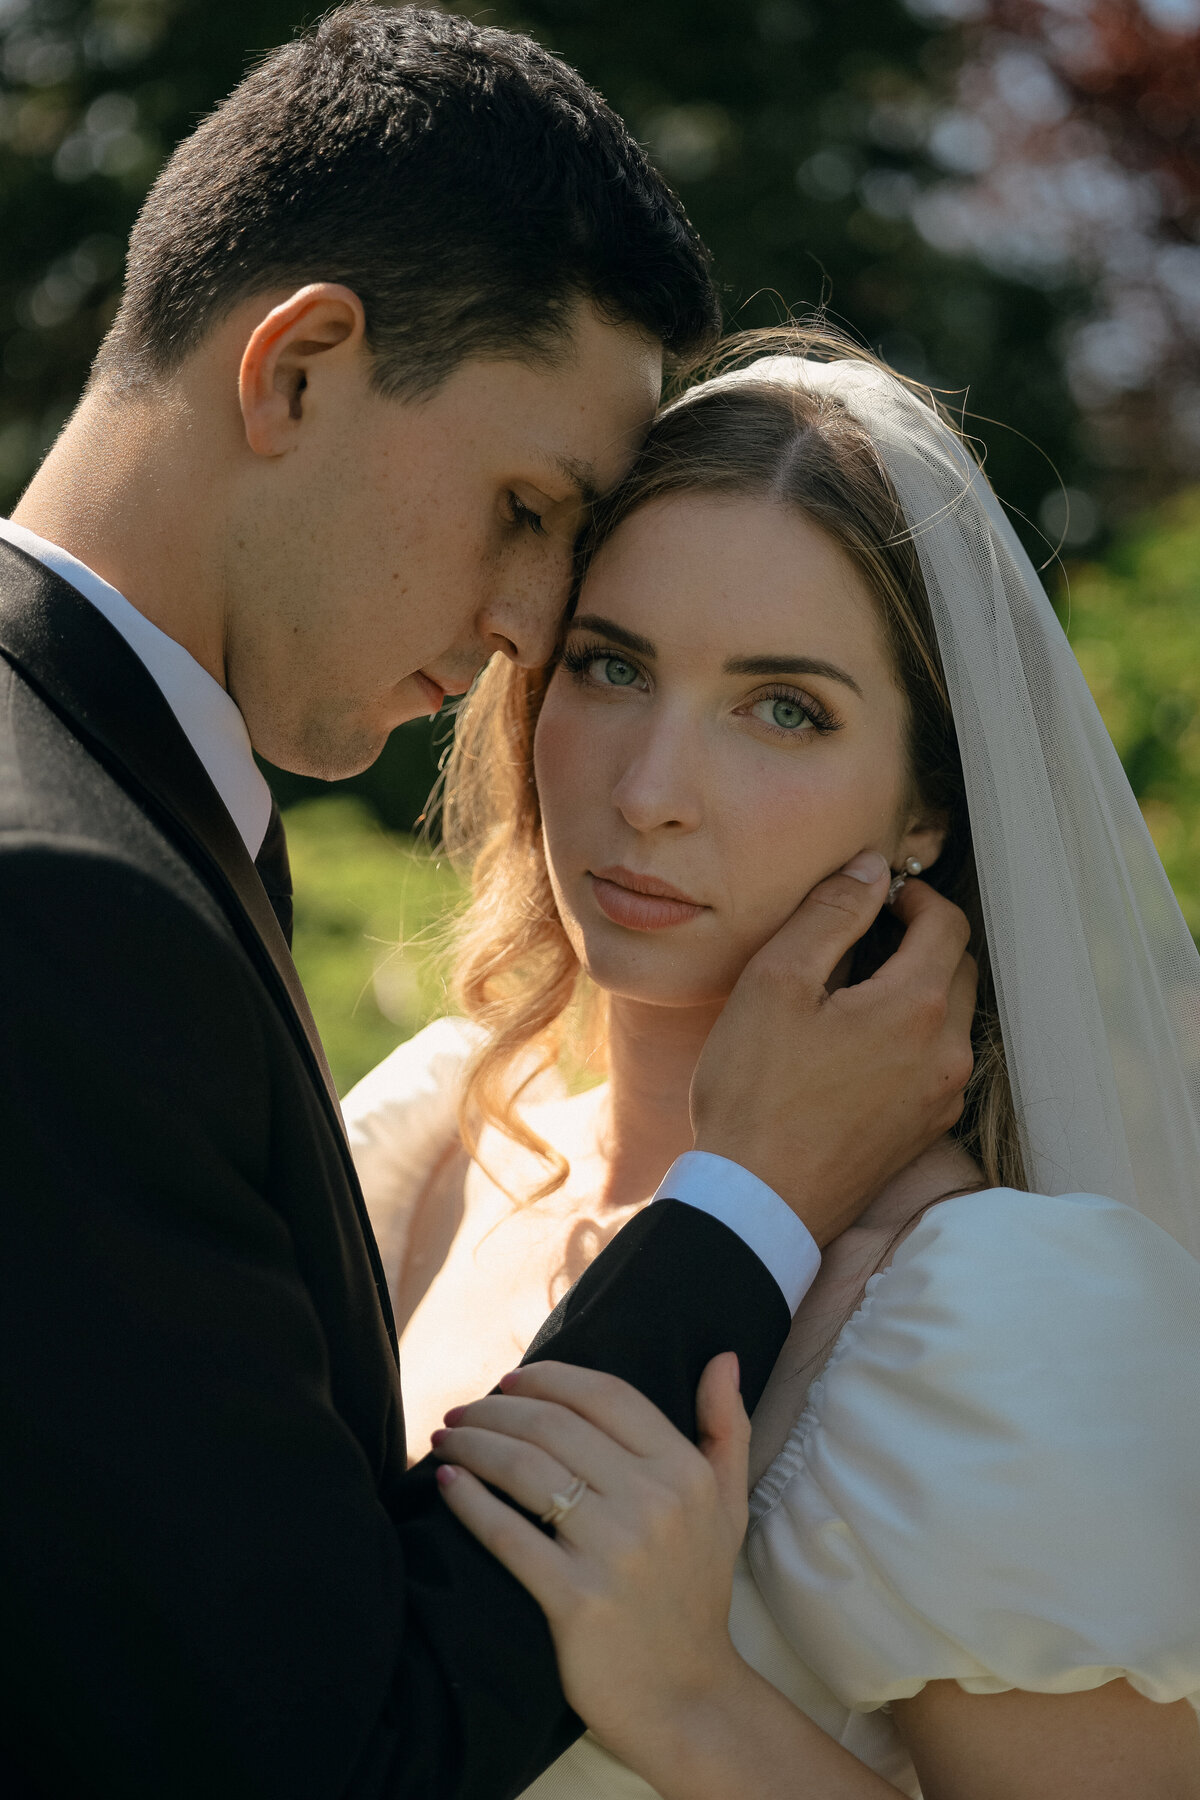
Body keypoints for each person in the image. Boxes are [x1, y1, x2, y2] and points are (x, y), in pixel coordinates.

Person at [0, 11, 978, 1799]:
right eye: (525, 508)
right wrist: (757, 1198)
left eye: (781, 706)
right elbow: (317, 1752)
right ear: (299, 371)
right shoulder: (63, 910)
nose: (531, 628)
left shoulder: (103, 813)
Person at [345, 335, 1200, 1799]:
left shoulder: (982, 1320)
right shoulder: (442, 1137)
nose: (650, 792)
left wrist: (692, 1704)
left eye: (783, 708)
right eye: (611, 667)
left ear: (927, 808)